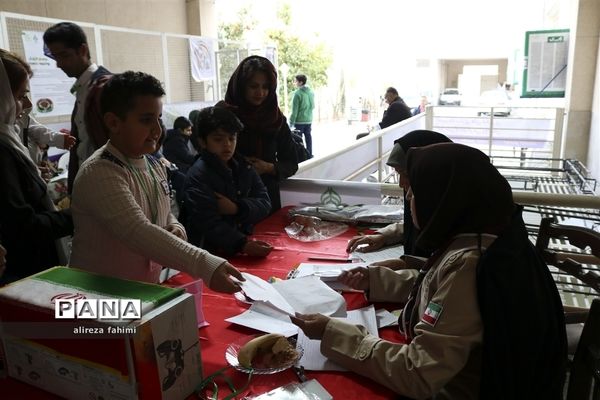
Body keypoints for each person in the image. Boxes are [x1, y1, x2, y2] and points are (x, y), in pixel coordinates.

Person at [292, 143, 567, 400]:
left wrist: (332, 332)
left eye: (415, 192)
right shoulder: (486, 237)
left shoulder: (471, 265)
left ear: (444, 199)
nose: (409, 199)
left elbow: (418, 373)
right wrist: (374, 279)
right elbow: (438, 289)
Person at [69, 71, 243, 294]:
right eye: (146, 120)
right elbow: (137, 230)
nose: (157, 129)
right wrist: (203, 264)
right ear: (113, 122)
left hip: (142, 289)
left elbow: (164, 210)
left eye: (158, 118)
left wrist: (175, 227)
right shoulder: (100, 172)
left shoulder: (153, 162)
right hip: (99, 299)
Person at [0, 49, 73, 284]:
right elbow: (23, 226)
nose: (28, 104)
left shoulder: (7, 136)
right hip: (24, 272)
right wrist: (76, 216)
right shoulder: (2, 151)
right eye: (21, 96)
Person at [347, 130, 452, 267]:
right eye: (398, 174)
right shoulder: (445, 207)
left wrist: (400, 266)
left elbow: (443, 272)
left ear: (432, 173)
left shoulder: (470, 234)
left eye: (406, 174)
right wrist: (385, 236)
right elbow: (424, 226)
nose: (401, 184)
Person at [180, 106, 273, 257]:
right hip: (208, 255)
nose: (227, 144)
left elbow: (265, 202)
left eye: (232, 138)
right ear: (203, 142)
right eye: (218, 139)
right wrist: (243, 245)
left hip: (239, 245)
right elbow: (208, 224)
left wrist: (237, 208)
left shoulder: (244, 165)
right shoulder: (198, 175)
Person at [219, 55, 299, 211]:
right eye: (253, 86)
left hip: (267, 198)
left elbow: (291, 163)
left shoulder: (275, 118)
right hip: (228, 198)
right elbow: (207, 154)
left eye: (265, 87)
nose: (260, 93)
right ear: (241, 86)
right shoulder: (222, 114)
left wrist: (268, 167)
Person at [43, 22, 112, 192]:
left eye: (64, 55)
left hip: (109, 184)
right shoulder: (83, 88)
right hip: (91, 184)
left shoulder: (105, 87)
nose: (58, 64)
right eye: (55, 57)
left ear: (83, 50)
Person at [289, 74, 315, 157]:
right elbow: (313, 106)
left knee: (298, 140)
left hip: (299, 121)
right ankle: (309, 154)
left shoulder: (297, 94)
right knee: (308, 138)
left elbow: (294, 110)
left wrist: (291, 122)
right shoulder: (311, 92)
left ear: (300, 82)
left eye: (296, 81)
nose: (294, 82)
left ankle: (301, 156)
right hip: (309, 120)